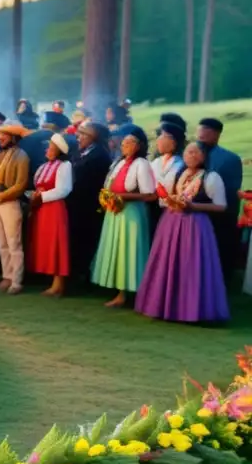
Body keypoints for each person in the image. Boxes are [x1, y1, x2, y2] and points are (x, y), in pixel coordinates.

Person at [135, 142, 229, 323]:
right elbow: (166, 197)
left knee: (191, 265)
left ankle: (191, 310)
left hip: (196, 226)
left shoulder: (211, 177)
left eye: (195, 152)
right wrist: (171, 201)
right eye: (187, 152)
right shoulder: (180, 173)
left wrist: (193, 206)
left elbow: (221, 205)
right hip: (171, 224)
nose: (191, 155)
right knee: (168, 263)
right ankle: (165, 306)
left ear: (203, 156)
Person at [91, 125, 156, 307]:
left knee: (129, 250)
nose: (124, 145)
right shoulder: (118, 163)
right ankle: (118, 289)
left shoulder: (141, 164)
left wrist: (122, 196)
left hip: (132, 213)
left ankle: (126, 293)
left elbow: (150, 194)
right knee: (116, 248)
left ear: (139, 146)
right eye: (124, 142)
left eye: (129, 143)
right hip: (115, 212)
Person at [26, 133, 73, 297]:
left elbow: (64, 189)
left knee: (56, 243)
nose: (47, 150)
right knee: (45, 242)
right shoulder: (44, 166)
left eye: (51, 148)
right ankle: (51, 280)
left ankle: (58, 283)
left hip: (54, 208)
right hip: (42, 208)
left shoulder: (64, 165)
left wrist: (41, 197)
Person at [0, 123, 30, 294]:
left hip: (10, 203)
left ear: (13, 137)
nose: (0, 138)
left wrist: (2, 196)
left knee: (14, 243)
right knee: (1, 243)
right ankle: (7, 276)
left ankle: (17, 281)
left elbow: (21, 184)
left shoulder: (21, 156)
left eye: (4, 135)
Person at [197, 118, 243, 279]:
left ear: (216, 134)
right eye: (200, 130)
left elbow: (231, 190)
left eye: (206, 131)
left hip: (219, 212)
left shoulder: (229, 159)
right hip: (195, 211)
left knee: (220, 247)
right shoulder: (192, 153)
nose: (201, 135)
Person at [68, 121, 112, 287]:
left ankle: (82, 277)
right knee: (76, 241)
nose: (79, 137)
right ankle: (76, 274)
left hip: (88, 205)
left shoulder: (99, 155)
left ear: (93, 137)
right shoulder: (82, 152)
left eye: (83, 134)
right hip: (77, 204)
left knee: (85, 242)